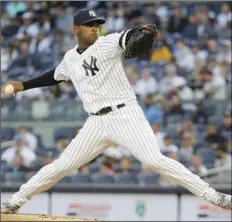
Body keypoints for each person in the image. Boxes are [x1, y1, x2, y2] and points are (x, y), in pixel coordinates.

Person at [1, 8, 231, 213]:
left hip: (125, 115)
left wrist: (140, 32)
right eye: (90, 26)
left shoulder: (106, 43)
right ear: (76, 29)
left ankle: (216, 197)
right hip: (96, 123)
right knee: (61, 166)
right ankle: (15, 201)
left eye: (97, 25)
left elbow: (127, 38)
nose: (95, 29)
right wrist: (23, 85)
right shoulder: (70, 58)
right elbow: (53, 76)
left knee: (153, 160)